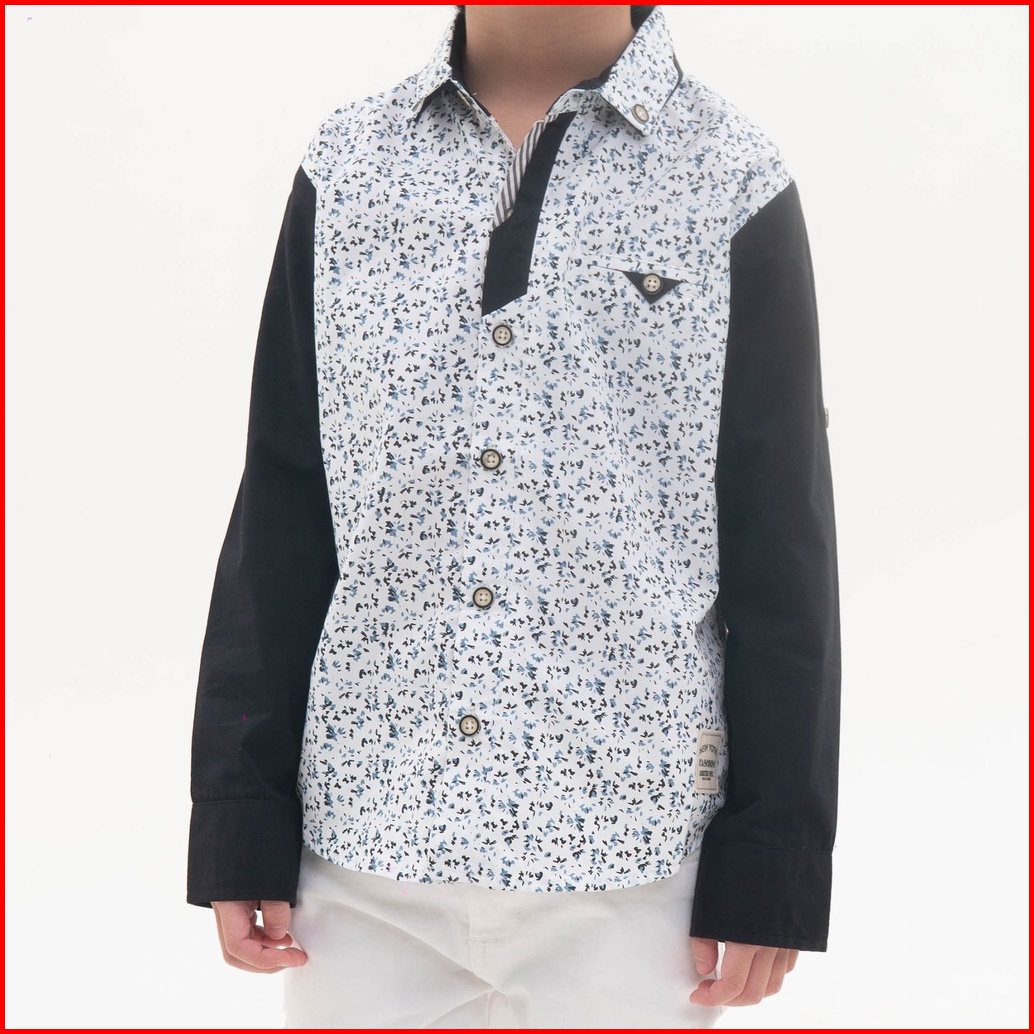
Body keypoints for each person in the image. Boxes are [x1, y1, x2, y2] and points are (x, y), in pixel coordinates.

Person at [188, 4, 840, 1027]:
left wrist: (775, 855)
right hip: (360, 861)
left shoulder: (728, 177)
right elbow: (282, 502)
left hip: (636, 874)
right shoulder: (348, 165)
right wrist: (239, 814)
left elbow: (779, 536)